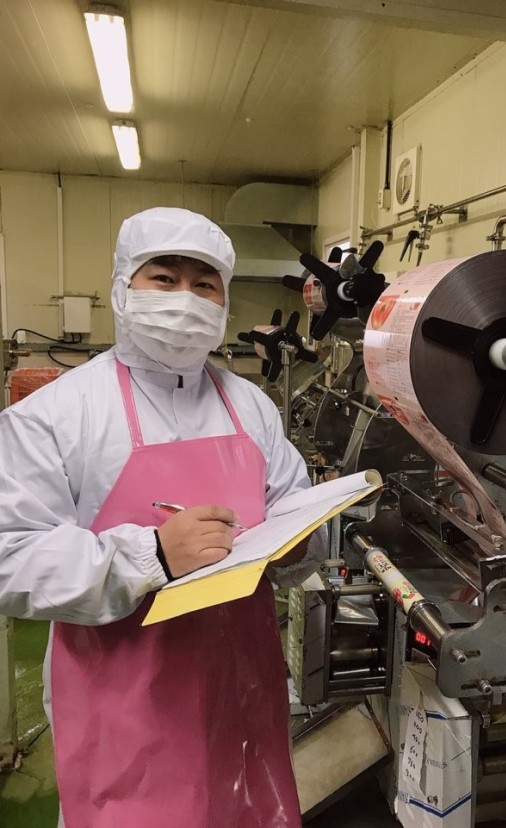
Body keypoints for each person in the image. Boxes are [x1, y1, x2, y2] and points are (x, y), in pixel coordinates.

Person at [0, 207, 326, 828]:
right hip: (121, 697)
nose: (185, 299)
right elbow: (10, 554)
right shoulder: (58, 414)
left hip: (240, 683)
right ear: (124, 287)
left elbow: (292, 501)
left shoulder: (250, 406)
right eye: (164, 279)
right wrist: (149, 556)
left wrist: (298, 543)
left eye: (204, 285)